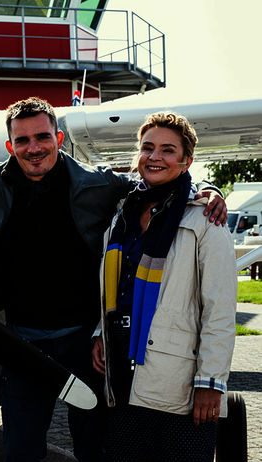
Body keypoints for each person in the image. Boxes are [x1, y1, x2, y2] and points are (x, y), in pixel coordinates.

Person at [0, 97, 228, 462]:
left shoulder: (97, 183)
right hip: (18, 341)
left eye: (42, 137)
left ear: (59, 138)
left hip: (84, 344)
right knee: (20, 449)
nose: (34, 148)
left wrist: (211, 190)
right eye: (23, 140)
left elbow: (160, 177)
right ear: (10, 146)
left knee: (93, 446)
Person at [91, 112, 236, 462]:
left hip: (178, 383)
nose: (155, 157)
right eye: (148, 147)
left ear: (187, 161)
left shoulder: (205, 221)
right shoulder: (122, 215)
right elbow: (115, 284)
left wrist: (210, 384)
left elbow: (219, 310)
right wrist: (101, 332)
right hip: (123, 374)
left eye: (168, 150)